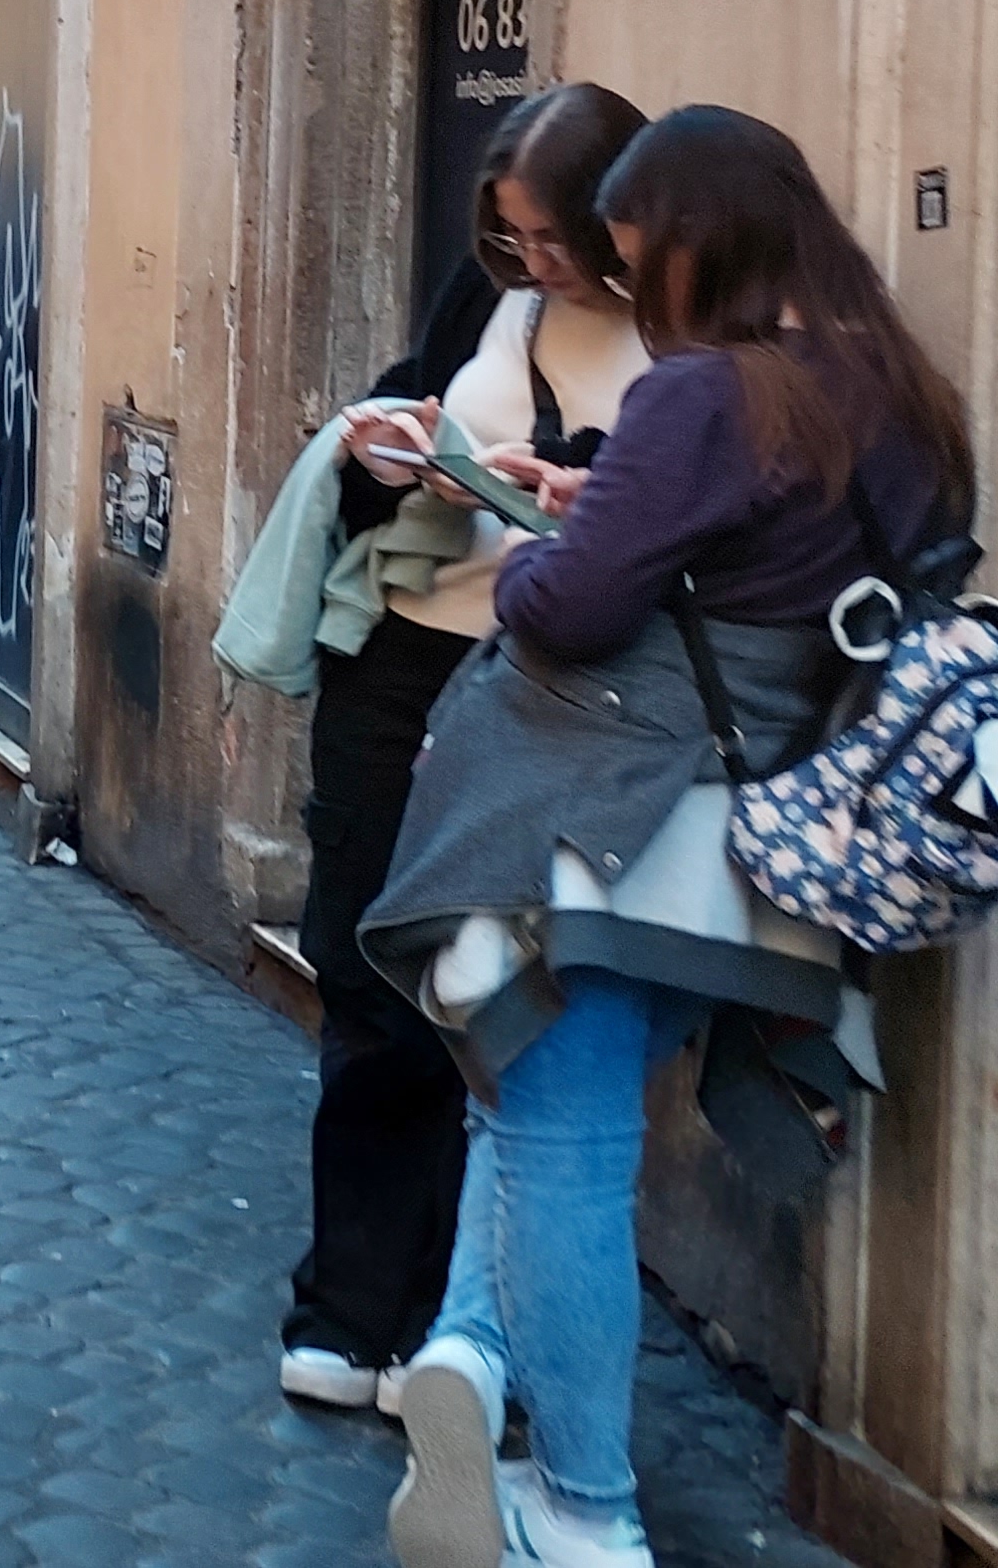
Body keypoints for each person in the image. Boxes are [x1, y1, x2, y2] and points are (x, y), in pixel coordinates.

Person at [358, 107, 963, 1568]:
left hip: (616, 820)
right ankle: (467, 1350)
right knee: (532, 1101)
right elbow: (780, 573)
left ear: (705, 248)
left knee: (559, 1139)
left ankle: (583, 1505)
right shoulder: (899, 395)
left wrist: (542, 550)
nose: (632, 292)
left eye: (639, 262)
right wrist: (612, 499)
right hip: (766, 842)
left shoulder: (705, 398)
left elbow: (574, 608)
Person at [258, 86, 654, 1415]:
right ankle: (351, 1307)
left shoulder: (687, 334)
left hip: (556, 697)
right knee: (368, 974)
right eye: (508, 237)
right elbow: (408, 398)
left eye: (550, 238)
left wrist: (581, 500)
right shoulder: (490, 292)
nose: (527, 262)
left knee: (504, 1006)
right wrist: (386, 451)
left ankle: (463, 1328)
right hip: (401, 664)